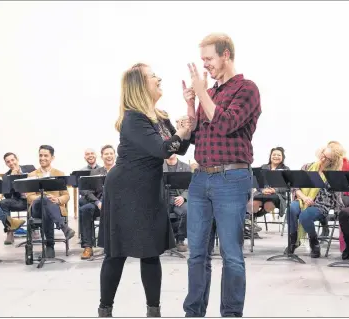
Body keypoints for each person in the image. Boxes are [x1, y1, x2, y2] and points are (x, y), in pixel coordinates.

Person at [98, 63, 191, 317]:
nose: (158, 78)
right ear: (140, 85)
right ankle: (105, 309)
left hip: (149, 189)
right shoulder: (133, 118)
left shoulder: (159, 115)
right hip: (125, 190)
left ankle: (153, 310)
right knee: (116, 253)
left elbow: (178, 148)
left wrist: (186, 129)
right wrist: (181, 133)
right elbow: (162, 149)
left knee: (150, 252)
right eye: (153, 76)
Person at [181, 33, 262, 318]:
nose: (206, 65)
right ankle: (194, 312)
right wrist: (192, 104)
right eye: (203, 60)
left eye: (209, 59)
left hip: (232, 178)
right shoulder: (210, 94)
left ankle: (230, 314)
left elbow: (226, 123)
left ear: (226, 54)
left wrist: (202, 92)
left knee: (231, 255)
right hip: (201, 178)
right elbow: (198, 138)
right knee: (197, 254)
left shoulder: (247, 88)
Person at [287, 145, 344, 258]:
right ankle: (293, 241)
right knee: (292, 208)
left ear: (332, 161)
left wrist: (339, 211)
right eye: (323, 155)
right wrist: (305, 198)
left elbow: (336, 196)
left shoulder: (333, 174)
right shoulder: (307, 167)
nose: (322, 159)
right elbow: (295, 187)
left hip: (321, 205)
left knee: (304, 216)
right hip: (303, 199)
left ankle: (314, 242)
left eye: (327, 158)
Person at [79, 144, 116, 260]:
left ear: (115, 155)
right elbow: (86, 191)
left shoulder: (121, 170)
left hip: (117, 205)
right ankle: (88, 247)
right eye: (106, 154)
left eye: (111, 153)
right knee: (85, 210)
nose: (109, 156)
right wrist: (97, 202)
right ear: (102, 156)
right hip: (99, 204)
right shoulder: (95, 172)